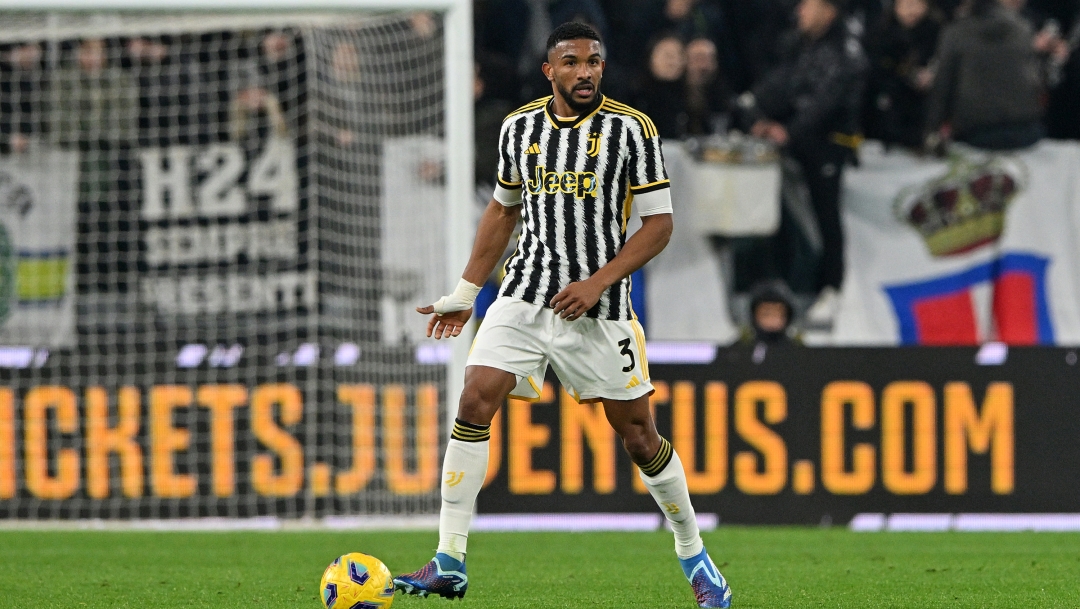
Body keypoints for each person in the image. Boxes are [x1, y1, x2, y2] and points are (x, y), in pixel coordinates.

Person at [392, 21, 732, 609]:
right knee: (475, 397)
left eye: (594, 62)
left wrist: (596, 281)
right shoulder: (518, 128)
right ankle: (449, 559)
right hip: (522, 295)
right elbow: (502, 212)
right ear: (550, 70)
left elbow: (659, 224)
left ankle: (695, 556)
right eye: (572, 62)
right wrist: (468, 289)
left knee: (638, 436)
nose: (585, 72)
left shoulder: (632, 130)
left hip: (598, 312)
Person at [737, 0, 867, 323]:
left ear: (829, 10)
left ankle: (834, 289)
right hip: (799, 149)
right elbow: (783, 86)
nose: (800, 12)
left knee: (828, 220)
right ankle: (786, 287)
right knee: (791, 223)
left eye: (808, 6)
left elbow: (826, 100)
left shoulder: (844, 49)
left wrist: (788, 131)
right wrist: (753, 112)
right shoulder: (804, 47)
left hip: (829, 148)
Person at [925, 0, 1044, 150]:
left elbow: (942, 86)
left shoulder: (955, 32)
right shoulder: (1023, 27)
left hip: (976, 134)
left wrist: (931, 132)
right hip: (1027, 131)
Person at [863, 0, 943, 149]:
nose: (911, 10)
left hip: (921, 113)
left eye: (917, 4)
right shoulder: (880, 33)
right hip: (883, 115)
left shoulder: (937, 33)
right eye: (906, 4)